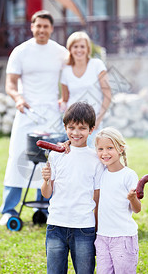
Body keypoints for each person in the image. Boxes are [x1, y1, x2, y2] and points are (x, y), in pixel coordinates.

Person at [0, 10, 68, 226]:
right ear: (32, 26)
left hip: (50, 114)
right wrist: (18, 98)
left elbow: (68, 79)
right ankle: (9, 210)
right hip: (26, 111)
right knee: (17, 157)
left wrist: (64, 100)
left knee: (47, 161)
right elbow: (10, 84)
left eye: (46, 26)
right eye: (38, 26)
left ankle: (44, 208)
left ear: (51, 29)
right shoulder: (21, 52)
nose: (41, 30)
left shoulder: (60, 52)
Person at [41, 102, 104, 274]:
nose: (76, 133)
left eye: (82, 128)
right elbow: (46, 194)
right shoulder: (56, 155)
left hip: (84, 227)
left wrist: (98, 230)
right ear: (65, 127)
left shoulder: (96, 159)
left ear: (91, 129)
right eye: (71, 127)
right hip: (55, 225)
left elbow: (97, 200)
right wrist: (46, 180)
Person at [94, 127, 141, 274]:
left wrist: (133, 199)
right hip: (102, 236)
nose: (105, 153)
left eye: (110, 148)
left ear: (120, 148)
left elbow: (137, 209)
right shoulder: (100, 173)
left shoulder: (128, 175)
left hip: (123, 237)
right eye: (100, 149)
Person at [60, 31, 111, 147]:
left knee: (95, 157)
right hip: (73, 126)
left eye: (82, 46)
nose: (79, 50)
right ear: (70, 49)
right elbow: (65, 98)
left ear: (88, 49)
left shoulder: (97, 65)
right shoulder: (66, 70)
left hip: (93, 123)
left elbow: (107, 94)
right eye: (75, 46)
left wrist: (98, 119)